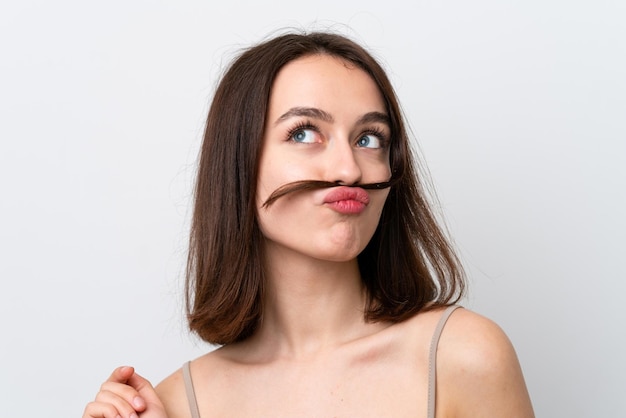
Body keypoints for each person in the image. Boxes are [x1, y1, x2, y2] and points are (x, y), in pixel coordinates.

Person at [83, 31, 534, 418]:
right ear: (239, 163)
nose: (349, 169)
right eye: (304, 133)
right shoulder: (176, 403)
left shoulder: (465, 356)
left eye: (369, 138)